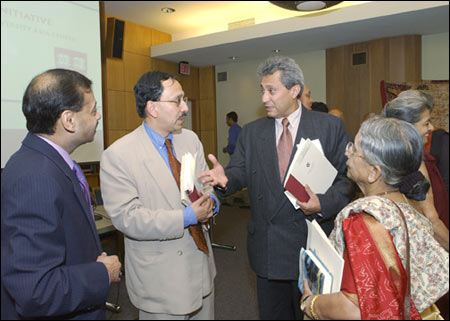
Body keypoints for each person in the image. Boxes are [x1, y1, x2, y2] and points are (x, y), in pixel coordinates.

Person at [199, 56, 354, 320]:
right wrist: (226, 179)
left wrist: (323, 203)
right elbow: (239, 172)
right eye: (262, 90)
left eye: (272, 90)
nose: (264, 98)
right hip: (268, 247)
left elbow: (347, 179)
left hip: (313, 244)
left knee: (315, 315)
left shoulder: (329, 126)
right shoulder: (251, 132)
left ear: (294, 90)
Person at [300, 116, 449, 320]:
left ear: (373, 172)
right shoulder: (406, 204)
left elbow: (354, 308)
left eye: (354, 150)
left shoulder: (364, 221)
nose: (347, 152)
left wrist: (311, 304)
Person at [1, 69, 121, 320]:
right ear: (68, 120)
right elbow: (35, 291)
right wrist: (101, 274)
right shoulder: (35, 177)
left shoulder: (49, 163)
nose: (98, 116)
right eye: (92, 110)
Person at [100, 71, 219, 320]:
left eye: (184, 99)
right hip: (161, 282)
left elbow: (205, 186)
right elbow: (129, 219)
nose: (185, 107)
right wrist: (187, 217)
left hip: (201, 269)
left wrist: (213, 202)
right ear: (152, 108)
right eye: (177, 101)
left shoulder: (190, 140)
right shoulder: (119, 155)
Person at [382, 90, 450, 319]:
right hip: (431, 263)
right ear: (406, 128)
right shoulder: (414, 167)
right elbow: (431, 221)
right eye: (426, 123)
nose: (431, 128)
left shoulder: (406, 161)